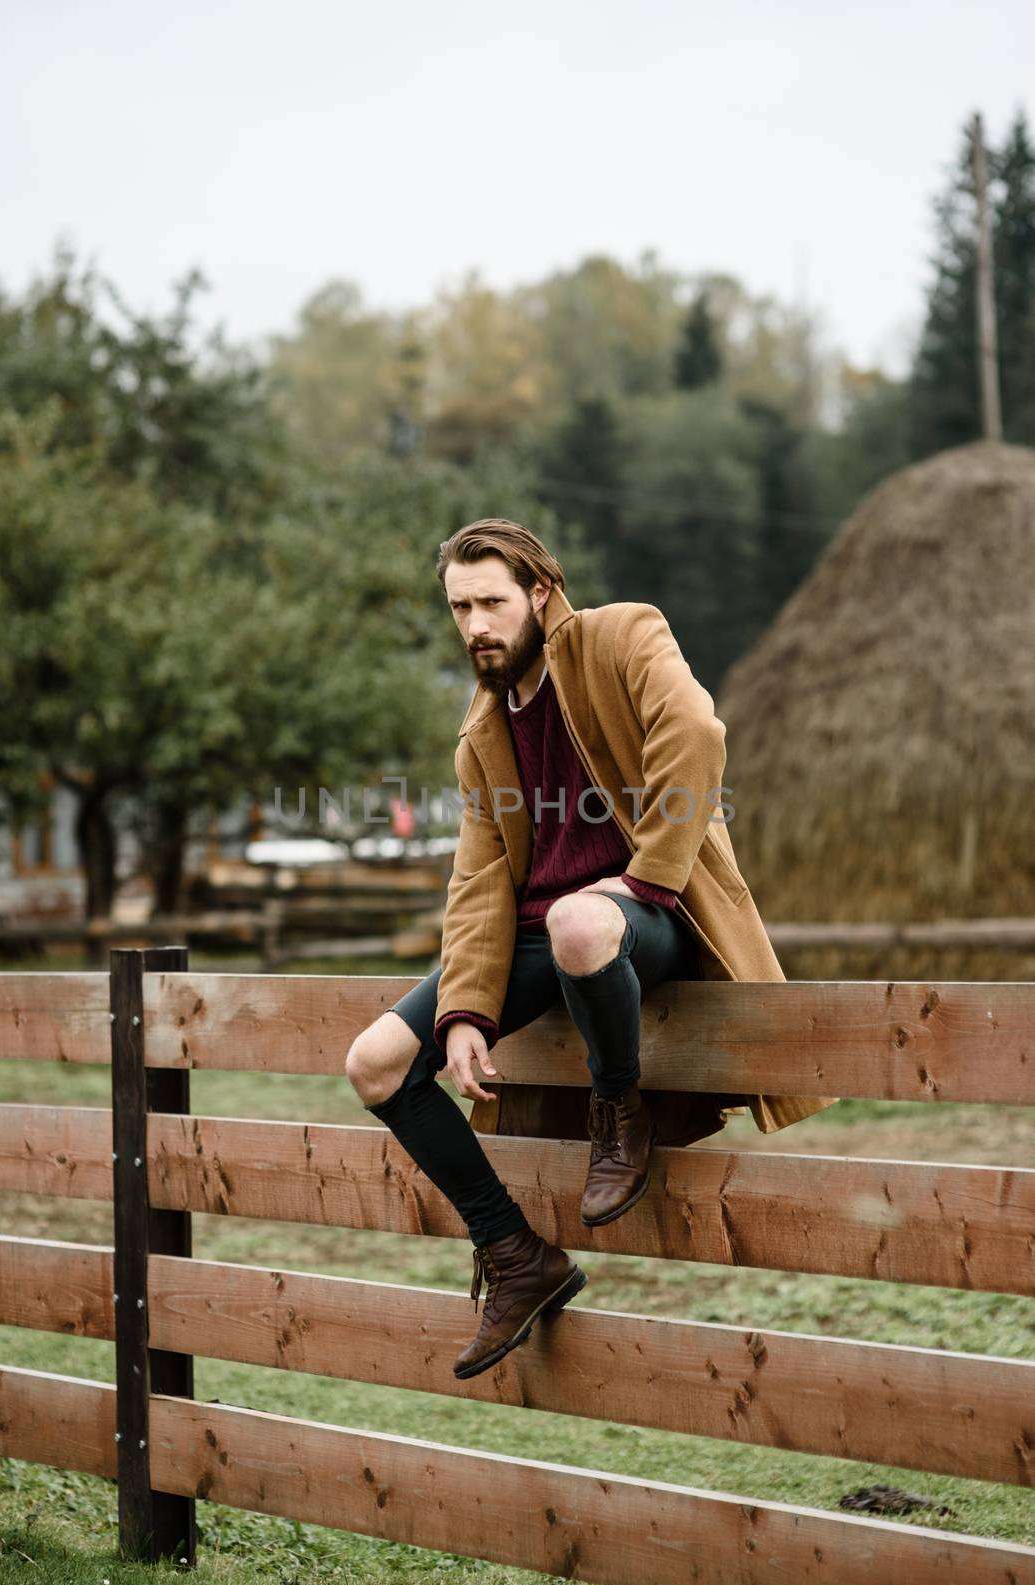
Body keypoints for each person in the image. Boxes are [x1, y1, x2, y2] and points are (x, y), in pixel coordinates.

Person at [345, 518, 837, 1382]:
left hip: (651, 919)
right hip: (544, 931)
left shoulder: (622, 635)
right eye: (460, 608)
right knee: (377, 1062)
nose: (475, 626)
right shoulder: (482, 728)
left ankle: (621, 1109)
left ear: (540, 592)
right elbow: (480, 878)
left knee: (582, 920)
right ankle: (514, 1254)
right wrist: (464, 1010)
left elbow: (698, 735)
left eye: (491, 602)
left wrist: (645, 881)